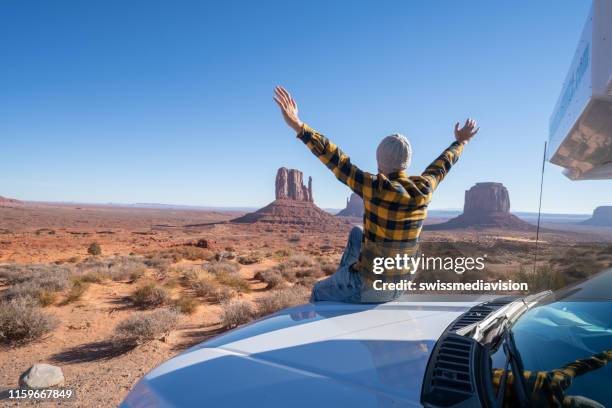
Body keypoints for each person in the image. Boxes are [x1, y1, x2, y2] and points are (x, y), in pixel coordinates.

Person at [273, 86, 479, 303]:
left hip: (369, 286)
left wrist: (297, 125)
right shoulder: (424, 187)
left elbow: (335, 158)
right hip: (402, 283)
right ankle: (344, 277)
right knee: (356, 232)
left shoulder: (374, 186)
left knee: (318, 291)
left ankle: (337, 311)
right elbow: (444, 163)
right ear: (407, 163)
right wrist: (461, 141)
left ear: (379, 162)